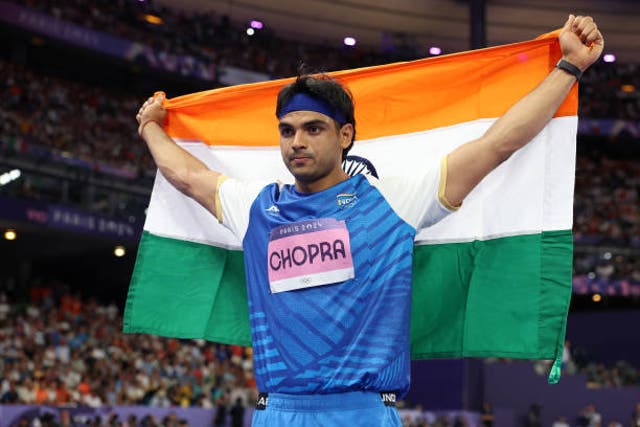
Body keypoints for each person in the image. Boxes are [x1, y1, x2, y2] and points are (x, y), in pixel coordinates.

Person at [136, 15, 603, 427]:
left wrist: (568, 68)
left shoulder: (392, 201)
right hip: (277, 411)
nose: (296, 142)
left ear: (345, 135)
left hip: (363, 412)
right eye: (287, 130)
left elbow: (496, 144)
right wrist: (150, 126)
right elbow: (187, 176)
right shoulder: (258, 209)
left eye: (312, 129)